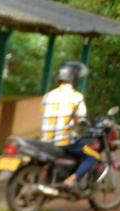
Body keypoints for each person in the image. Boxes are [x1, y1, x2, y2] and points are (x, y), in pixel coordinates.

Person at [41, 61, 96, 189]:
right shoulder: (76, 97)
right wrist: (81, 123)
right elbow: (80, 120)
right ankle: (72, 179)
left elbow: (44, 114)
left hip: (46, 141)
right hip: (63, 142)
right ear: (74, 79)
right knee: (92, 154)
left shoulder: (47, 96)